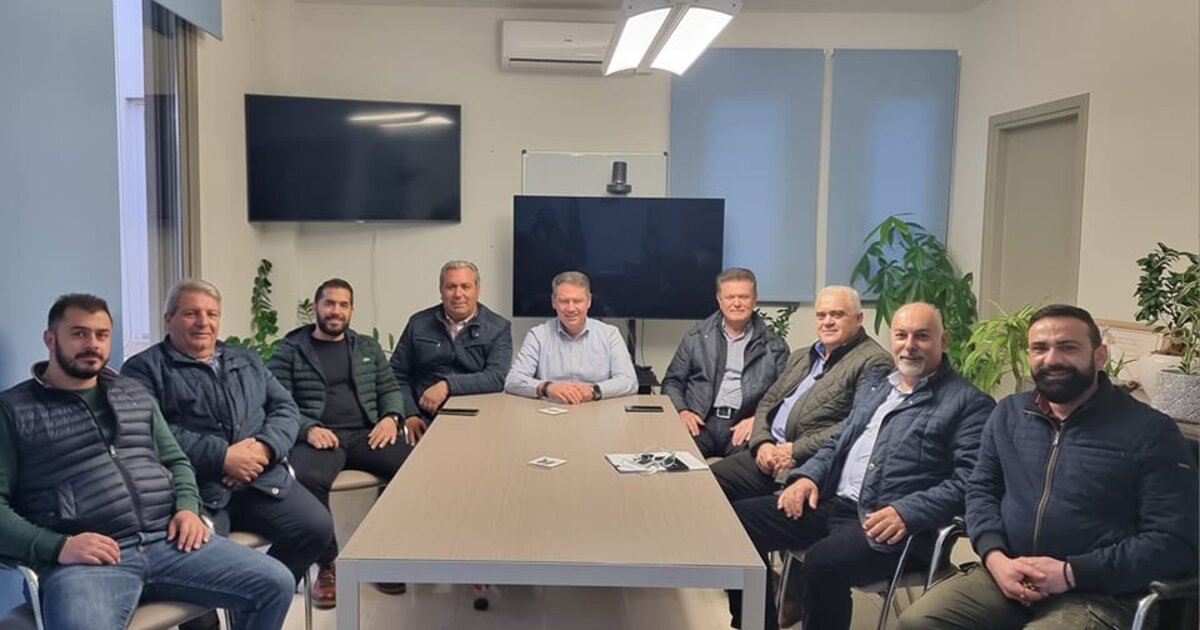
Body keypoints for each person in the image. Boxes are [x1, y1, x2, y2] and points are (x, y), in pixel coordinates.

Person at [0, 294, 294, 630]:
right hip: (85, 561)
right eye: (79, 333)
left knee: (275, 583)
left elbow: (176, 460)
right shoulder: (12, 410)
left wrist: (187, 507)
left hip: (166, 541)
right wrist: (58, 547)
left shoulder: (133, 393)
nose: (92, 344)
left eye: (102, 335)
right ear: (50, 339)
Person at [898, 304, 1199, 630]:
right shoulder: (1009, 414)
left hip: (1100, 593)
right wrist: (995, 559)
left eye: (1068, 347)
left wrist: (1070, 573)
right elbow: (981, 491)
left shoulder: (1150, 431)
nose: (1052, 359)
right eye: (1040, 348)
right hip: (1008, 574)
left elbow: (1174, 541)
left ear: (1099, 356)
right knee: (918, 622)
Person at [727, 302, 994, 630]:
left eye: (922, 336)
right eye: (901, 335)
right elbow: (838, 443)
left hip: (894, 525)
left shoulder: (969, 403)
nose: (909, 345)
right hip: (834, 504)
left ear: (944, 340)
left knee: (822, 563)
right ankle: (756, 625)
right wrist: (808, 477)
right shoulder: (879, 385)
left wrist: (907, 511)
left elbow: (970, 481)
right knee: (738, 522)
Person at [122, 279, 334, 588]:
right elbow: (148, 431)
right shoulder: (143, 369)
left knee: (316, 528)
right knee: (195, 555)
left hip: (261, 479)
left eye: (212, 314)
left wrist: (263, 449)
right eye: (191, 313)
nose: (203, 322)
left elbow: (285, 407)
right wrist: (223, 457)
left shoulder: (246, 359)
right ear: (168, 319)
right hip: (197, 488)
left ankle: (259, 597)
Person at [268, 278, 411, 608]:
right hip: (321, 437)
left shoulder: (367, 347)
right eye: (329, 303)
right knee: (308, 478)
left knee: (410, 468)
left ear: (351, 310)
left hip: (366, 433)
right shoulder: (290, 351)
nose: (336, 311)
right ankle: (327, 564)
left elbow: (390, 389)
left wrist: (391, 417)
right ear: (316, 307)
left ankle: (381, 554)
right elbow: (275, 401)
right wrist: (307, 428)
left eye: (343, 305)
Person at [711, 286, 892, 502]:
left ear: (858, 318)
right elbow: (768, 402)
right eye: (821, 315)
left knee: (740, 511)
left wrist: (795, 450)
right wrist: (762, 443)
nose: (827, 322)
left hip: (806, 464)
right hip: (770, 454)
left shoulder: (875, 361)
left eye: (837, 315)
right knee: (704, 482)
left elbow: (857, 425)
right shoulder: (802, 356)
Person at [661, 268, 790, 458]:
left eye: (743, 297)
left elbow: (787, 396)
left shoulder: (775, 346)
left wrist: (758, 420)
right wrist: (683, 411)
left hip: (743, 426)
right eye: (730, 297)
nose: (736, 303)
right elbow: (672, 382)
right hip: (701, 422)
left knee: (744, 471)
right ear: (719, 300)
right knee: (676, 464)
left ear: (754, 300)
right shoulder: (696, 337)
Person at [389, 260, 512, 445]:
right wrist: (410, 414)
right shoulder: (418, 323)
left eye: (465, 287)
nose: (458, 294)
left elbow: (496, 377)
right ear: (441, 291)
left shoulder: (498, 327)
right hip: (424, 417)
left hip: (477, 417)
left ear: (477, 290)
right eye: (451, 287)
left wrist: (447, 385)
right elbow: (396, 374)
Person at [504, 271, 637, 403]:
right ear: (553, 302)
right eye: (564, 301)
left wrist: (594, 390)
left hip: (595, 410)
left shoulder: (610, 335)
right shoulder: (538, 335)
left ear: (589, 301)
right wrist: (547, 387)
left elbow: (629, 381)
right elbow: (513, 381)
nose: (571, 308)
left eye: (577, 301)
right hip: (548, 410)